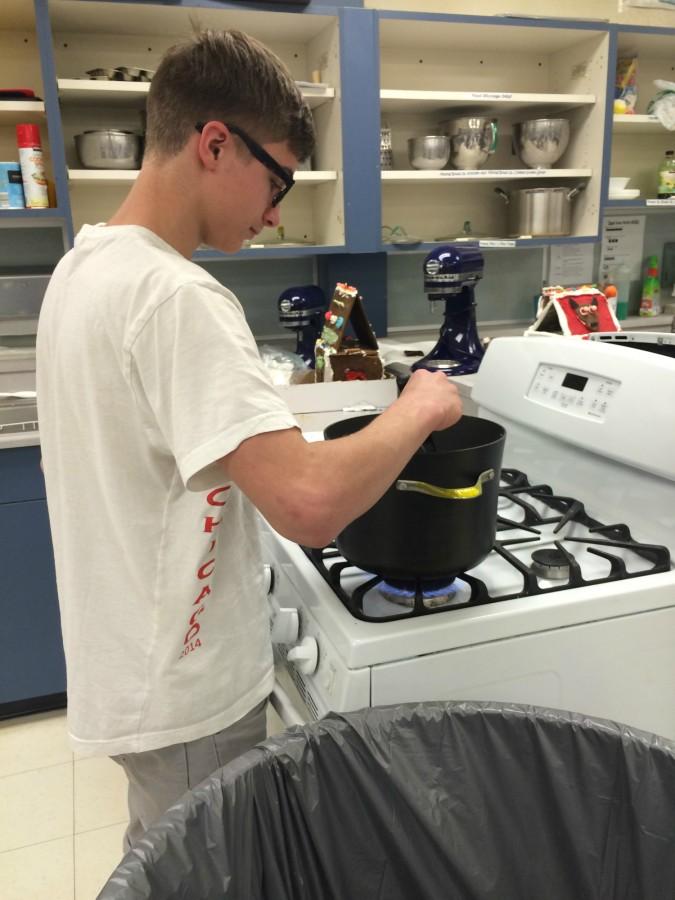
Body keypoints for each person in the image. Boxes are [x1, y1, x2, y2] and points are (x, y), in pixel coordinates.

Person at [36, 29, 462, 849]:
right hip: (183, 690)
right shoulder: (176, 296)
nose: (274, 212)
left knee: (160, 856)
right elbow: (309, 503)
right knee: (204, 873)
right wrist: (417, 407)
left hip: (128, 670)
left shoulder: (85, 266)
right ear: (215, 144)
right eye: (277, 181)